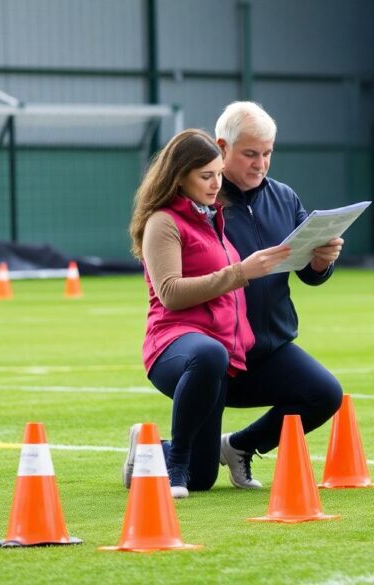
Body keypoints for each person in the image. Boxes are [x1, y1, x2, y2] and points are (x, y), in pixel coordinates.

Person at [126, 129, 291, 498]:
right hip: (174, 347)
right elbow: (169, 294)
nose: (217, 183)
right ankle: (175, 466)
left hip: (218, 356)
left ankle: (151, 448)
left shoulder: (213, 217)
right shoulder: (163, 222)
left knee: (203, 479)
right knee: (208, 353)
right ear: (179, 175)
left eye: (218, 174)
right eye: (206, 176)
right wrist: (240, 273)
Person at [214, 101, 345, 489]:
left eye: (268, 153)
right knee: (198, 471)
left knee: (324, 393)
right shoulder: (204, 200)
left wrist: (323, 259)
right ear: (223, 147)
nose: (261, 163)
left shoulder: (284, 197)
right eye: (250, 154)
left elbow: (310, 273)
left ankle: (239, 446)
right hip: (216, 351)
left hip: (271, 349)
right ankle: (154, 450)